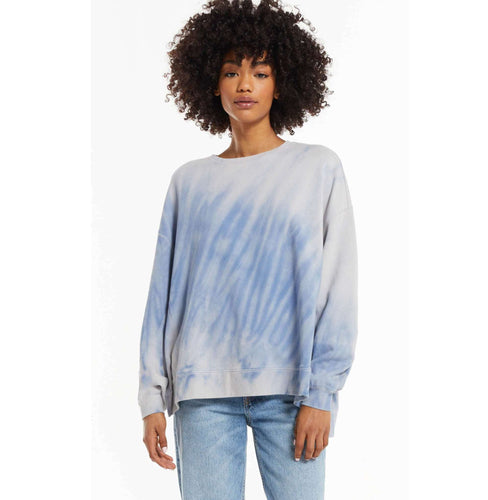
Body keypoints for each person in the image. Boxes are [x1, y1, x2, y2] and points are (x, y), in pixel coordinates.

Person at [138, 0, 358, 498]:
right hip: (201, 395)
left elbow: (339, 288)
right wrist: (152, 396)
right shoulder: (189, 182)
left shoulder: (318, 169)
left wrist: (322, 393)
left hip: (292, 393)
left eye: (260, 73)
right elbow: (162, 297)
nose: (244, 85)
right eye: (231, 72)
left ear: (280, 84)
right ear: (211, 84)